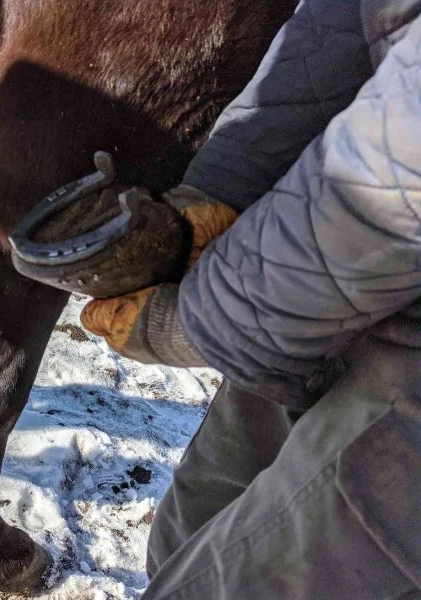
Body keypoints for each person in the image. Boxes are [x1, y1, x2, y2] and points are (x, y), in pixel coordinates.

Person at [80, 1, 421, 598]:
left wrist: (200, 322)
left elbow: (401, 181)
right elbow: (355, 19)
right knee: (187, 535)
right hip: (353, 284)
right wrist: (221, 190)